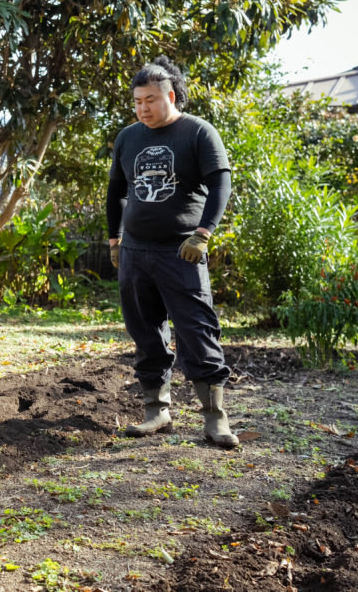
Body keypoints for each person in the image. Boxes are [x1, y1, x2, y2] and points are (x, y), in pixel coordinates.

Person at [106, 56, 239, 449]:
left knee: (197, 330)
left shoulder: (198, 132)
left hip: (182, 251)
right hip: (135, 251)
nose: (143, 108)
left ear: (171, 96)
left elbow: (220, 184)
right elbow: (116, 192)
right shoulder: (128, 137)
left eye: (150, 100)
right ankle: (156, 411)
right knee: (144, 330)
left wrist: (203, 233)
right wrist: (114, 240)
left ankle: (215, 418)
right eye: (137, 101)